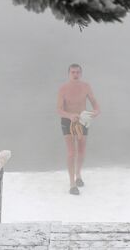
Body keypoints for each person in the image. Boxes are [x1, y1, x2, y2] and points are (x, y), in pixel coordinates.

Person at [57, 63, 100, 195]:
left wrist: (96, 111)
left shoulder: (86, 86)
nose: (75, 75)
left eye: (77, 72)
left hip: (82, 120)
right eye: (73, 72)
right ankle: (72, 183)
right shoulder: (63, 89)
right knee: (71, 152)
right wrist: (70, 116)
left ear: (81, 74)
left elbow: (94, 102)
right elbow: (59, 110)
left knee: (81, 151)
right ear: (69, 74)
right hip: (68, 120)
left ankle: (78, 174)